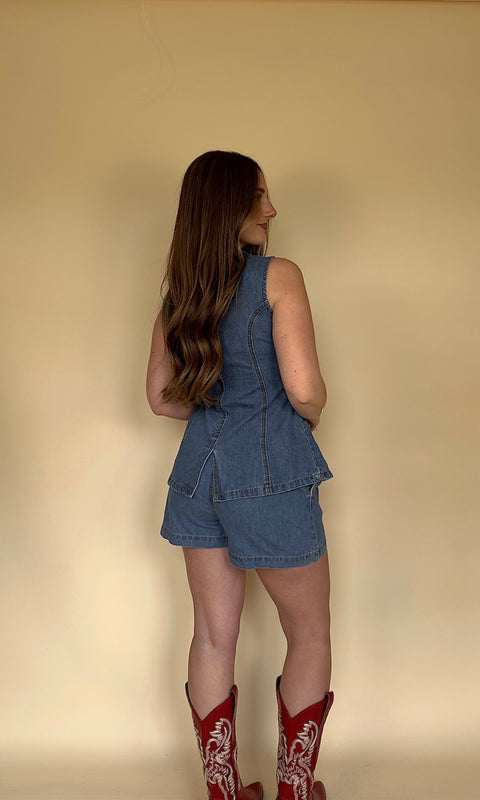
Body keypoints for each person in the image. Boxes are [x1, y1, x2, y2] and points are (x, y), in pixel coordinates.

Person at [146, 151, 334, 800]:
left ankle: (223, 794)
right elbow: (304, 388)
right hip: (271, 477)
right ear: (225, 206)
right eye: (258, 196)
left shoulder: (181, 293)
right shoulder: (278, 276)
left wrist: (217, 409)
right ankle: (293, 791)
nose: (271, 210)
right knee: (308, 632)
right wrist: (308, 414)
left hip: (197, 478)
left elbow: (160, 398)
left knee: (210, 637)